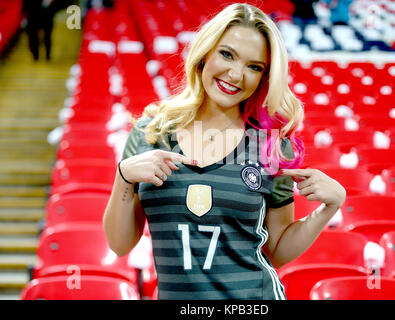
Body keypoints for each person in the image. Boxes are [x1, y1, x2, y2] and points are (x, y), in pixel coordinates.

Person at [103, 3, 346, 300]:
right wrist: (123, 176)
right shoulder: (151, 132)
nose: (236, 74)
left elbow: (276, 252)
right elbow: (119, 244)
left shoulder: (270, 143)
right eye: (227, 54)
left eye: (254, 67)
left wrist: (328, 209)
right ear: (206, 52)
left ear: (264, 77)